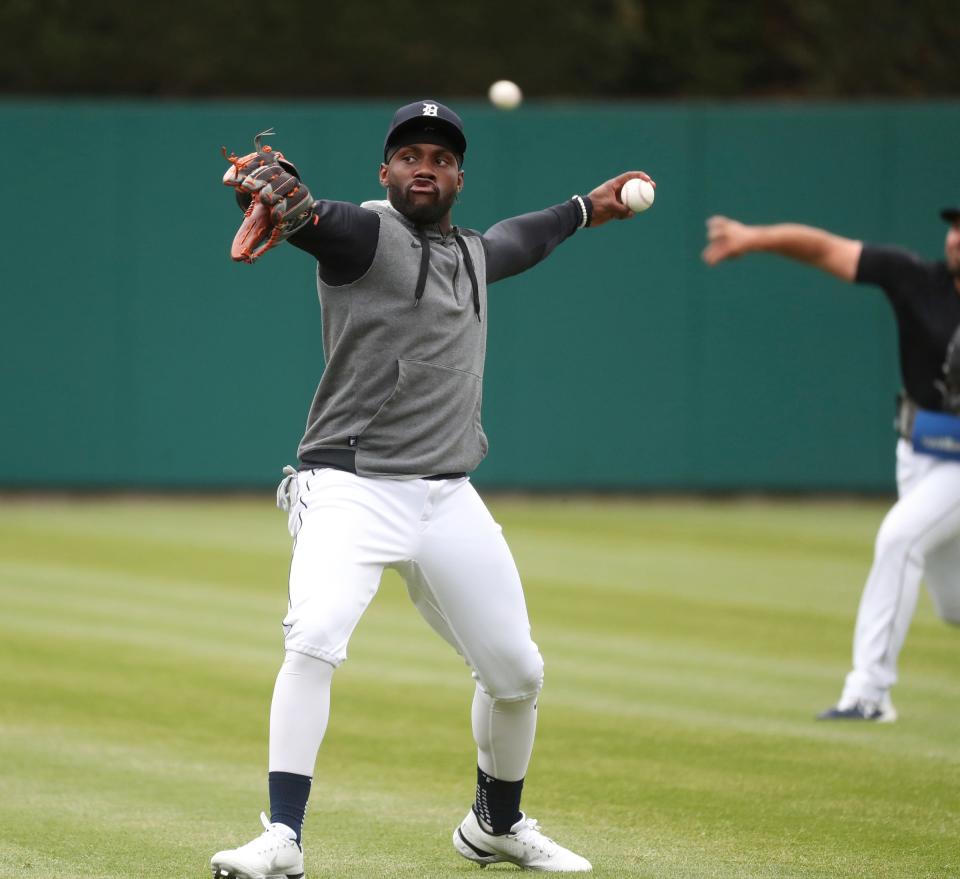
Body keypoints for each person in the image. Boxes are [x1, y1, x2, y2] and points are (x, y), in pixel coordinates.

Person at [210, 99, 654, 878]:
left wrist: (590, 207)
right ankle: (281, 837)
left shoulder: (474, 254)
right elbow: (317, 221)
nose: (426, 166)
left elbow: (528, 235)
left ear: (458, 177)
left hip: (448, 497)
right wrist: (287, 205)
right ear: (385, 171)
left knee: (518, 673)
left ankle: (496, 823)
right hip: (349, 487)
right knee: (314, 638)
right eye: (410, 154)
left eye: (442, 158)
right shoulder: (363, 234)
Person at [702, 207, 960, 722]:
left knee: (899, 540)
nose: (956, 238)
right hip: (919, 455)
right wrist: (755, 236)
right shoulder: (915, 279)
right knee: (953, 606)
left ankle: (869, 694)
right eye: (955, 227)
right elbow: (824, 248)